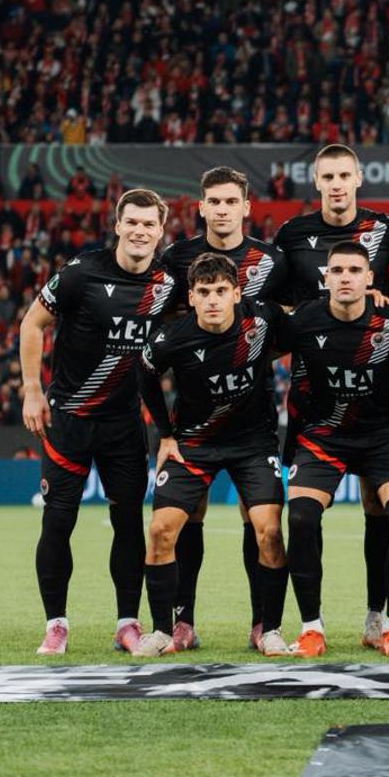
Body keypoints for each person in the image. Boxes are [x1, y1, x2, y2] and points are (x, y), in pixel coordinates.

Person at [21, 189, 175, 656]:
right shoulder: (81, 272)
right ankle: (56, 624)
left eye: (149, 224)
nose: (140, 231)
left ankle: (127, 624)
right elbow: (32, 324)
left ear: (160, 231)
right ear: (118, 225)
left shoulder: (168, 285)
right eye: (133, 222)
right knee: (58, 521)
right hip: (68, 420)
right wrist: (32, 390)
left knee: (128, 523)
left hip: (124, 425)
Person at [277, 241, 389, 658]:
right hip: (324, 435)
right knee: (300, 517)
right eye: (337, 270)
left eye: (355, 270)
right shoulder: (303, 320)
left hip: (384, 435)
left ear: (370, 279)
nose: (346, 277)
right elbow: (253, 352)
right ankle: (311, 629)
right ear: (326, 278)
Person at [272, 145, 389, 652]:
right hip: (319, 418)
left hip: (381, 425)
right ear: (317, 181)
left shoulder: (388, 231)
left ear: (358, 178)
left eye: (343, 175)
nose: (335, 184)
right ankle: (311, 627)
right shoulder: (291, 234)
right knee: (301, 517)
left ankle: (383, 621)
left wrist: (382, 306)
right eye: (327, 176)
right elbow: (273, 308)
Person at [137, 254, 291, 658]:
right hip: (194, 444)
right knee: (160, 530)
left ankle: (269, 629)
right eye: (204, 292)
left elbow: (308, 326)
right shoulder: (171, 338)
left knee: (269, 531)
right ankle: (163, 630)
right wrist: (164, 435)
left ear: (237, 293)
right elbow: (145, 375)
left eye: (221, 291)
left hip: (254, 444)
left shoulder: (263, 318)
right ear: (190, 297)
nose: (212, 300)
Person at [160, 166, 288, 651]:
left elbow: (289, 321)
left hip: (252, 417)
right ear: (201, 207)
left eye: (231, 201)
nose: (222, 210)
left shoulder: (272, 261)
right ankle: (182, 622)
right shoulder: (176, 258)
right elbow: (163, 322)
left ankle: (262, 624)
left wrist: (247, 354)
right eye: (213, 201)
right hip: (195, 419)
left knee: (258, 520)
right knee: (186, 515)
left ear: (246, 206)